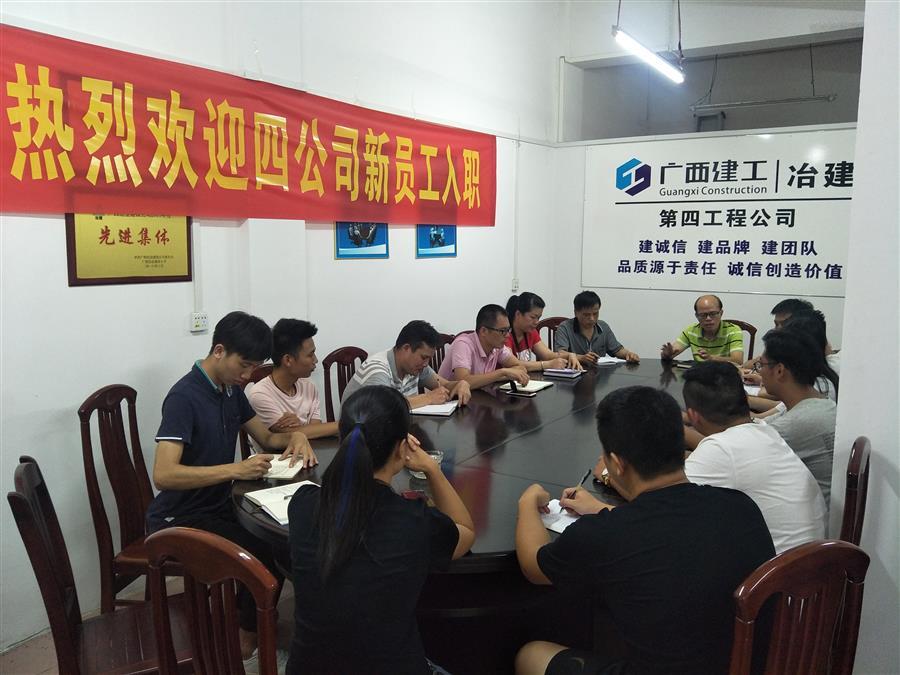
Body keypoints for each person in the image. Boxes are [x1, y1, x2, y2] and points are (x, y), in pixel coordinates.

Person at [515, 386, 774, 675]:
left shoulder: (604, 536)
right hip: (750, 665)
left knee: (530, 655)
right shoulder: (740, 506)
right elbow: (668, 529)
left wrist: (528, 501)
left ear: (617, 463)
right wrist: (601, 509)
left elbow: (533, 565)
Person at [146, 311, 317, 660]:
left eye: (254, 367)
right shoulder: (184, 397)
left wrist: (298, 435)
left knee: (285, 538)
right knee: (262, 549)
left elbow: (267, 437)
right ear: (219, 350)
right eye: (244, 365)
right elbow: (163, 474)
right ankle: (246, 633)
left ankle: (258, 620)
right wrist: (236, 469)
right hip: (180, 516)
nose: (248, 375)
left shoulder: (229, 391)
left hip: (217, 504)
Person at [286, 386, 475, 674]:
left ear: (342, 439)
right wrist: (433, 470)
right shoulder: (413, 521)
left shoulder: (302, 504)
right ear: (401, 449)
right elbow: (465, 531)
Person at [682, 362, 826, 553]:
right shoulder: (764, 431)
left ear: (693, 416)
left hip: (776, 568)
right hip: (814, 559)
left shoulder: (720, 449)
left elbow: (663, 497)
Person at [757, 328, 838, 504]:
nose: (759, 372)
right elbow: (756, 426)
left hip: (815, 516)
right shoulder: (821, 404)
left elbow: (733, 451)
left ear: (779, 370)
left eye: (761, 365)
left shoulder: (795, 424)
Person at [341, 320, 471, 408]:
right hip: (359, 436)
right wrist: (428, 398)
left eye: (429, 359)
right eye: (424, 357)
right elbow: (385, 407)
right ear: (406, 348)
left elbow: (445, 385)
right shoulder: (377, 370)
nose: (426, 364)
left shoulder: (416, 367)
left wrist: (460, 384)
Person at [246, 318, 338, 439]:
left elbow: (316, 430)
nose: (315, 360)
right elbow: (287, 434)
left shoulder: (309, 386)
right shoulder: (260, 394)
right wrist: (344, 424)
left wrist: (300, 425)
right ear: (288, 360)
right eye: (310, 355)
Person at [438, 304, 531, 389]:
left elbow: (519, 367)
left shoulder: (497, 346)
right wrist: (502, 372)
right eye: (502, 331)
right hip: (449, 399)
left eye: (508, 330)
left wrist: (503, 374)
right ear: (483, 331)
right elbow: (462, 382)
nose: (507, 335)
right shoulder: (463, 344)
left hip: (478, 396)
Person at [553, 291, 639, 367]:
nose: (592, 318)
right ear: (576, 312)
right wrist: (581, 358)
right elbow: (561, 354)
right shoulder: (564, 328)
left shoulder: (603, 326)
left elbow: (617, 350)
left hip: (599, 374)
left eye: (595, 313)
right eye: (586, 315)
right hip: (575, 373)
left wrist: (628, 354)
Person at [504, 292, 581, 371]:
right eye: (533, 317)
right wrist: (547, 364)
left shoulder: (531, 332)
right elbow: (512, 364)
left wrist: (569, 355)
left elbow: (547, 355)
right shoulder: (505, 334)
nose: (536, 322)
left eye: (538, 318)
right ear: (518, 314)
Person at [660, 294, 743, 364]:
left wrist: (712, 358)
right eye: (703, 315)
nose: (708, 318)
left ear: (721, 313)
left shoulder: (733, 330)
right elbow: (671, 353)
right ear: (696, 316)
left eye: (713, 314)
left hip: (725, 374)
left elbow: (738, 361)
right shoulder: (691, 331)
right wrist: (666, 355)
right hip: (699, 374)